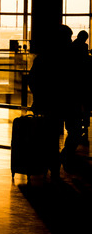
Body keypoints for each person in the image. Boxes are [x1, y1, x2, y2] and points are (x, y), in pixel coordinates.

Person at [28, 24, 86, 176]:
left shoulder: (44, 58)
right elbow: (79, 79)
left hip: (51, 103)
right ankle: (63, 156)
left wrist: (39, 98)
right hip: (68, 102)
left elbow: (33, 80)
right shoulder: (72, 57)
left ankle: (54, 164)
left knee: (52, 134)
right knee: (74, 131)